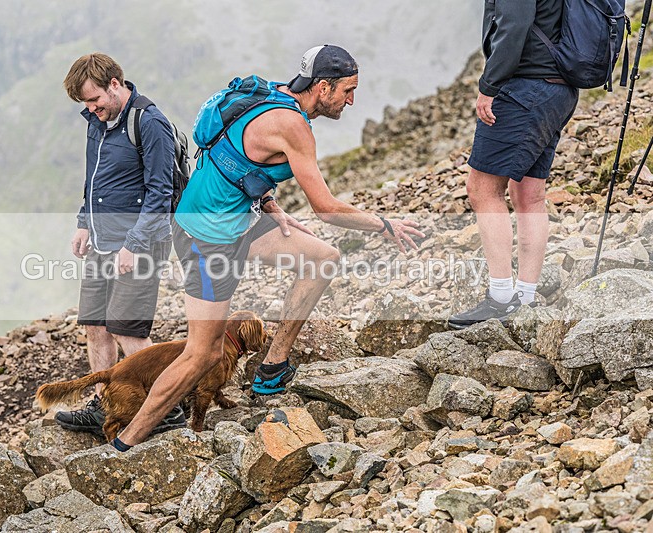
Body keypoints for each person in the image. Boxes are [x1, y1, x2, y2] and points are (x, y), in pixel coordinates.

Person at [109, 44, 424, 452]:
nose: (352, 100)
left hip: (238, 219)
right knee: (201, 355)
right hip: (208, 236)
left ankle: (272, 366)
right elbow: (326, 209)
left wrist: (268, 204)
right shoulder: (294, 125)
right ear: (322, 87)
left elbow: (236, 155)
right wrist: (384, 224)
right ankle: (126, 443)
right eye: (347, 90)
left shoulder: (272, 94)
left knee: (322, 260)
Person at [55, 53, 185, 435]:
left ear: (115, 83)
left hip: (140, 243)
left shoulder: (150, 123)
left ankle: (168, 406)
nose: (91, 109)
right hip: (101, 240)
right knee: (96, 326)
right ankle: (105, 405)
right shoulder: (98, 121)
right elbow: (94, 179)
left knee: (127, 328)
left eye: (94, 100)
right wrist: (83, 223)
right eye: (85, 104)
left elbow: (160, 192)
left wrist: (133, 244)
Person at [448, 0, 578, 330]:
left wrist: (489, 86)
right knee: (529, 195)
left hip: (524, 88)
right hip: (559, 89)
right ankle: (527, 295)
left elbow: (513, 26)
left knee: (482, 189)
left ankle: (502, 297)